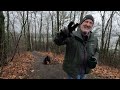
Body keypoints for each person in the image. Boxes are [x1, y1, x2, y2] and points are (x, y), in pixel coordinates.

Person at [53, 14, 99, 79]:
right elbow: (57, 42)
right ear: (81, 24)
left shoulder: (94, 39)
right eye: (86, 22)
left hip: (85, 71)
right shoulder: (71, 35)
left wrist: (95, 59)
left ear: (92, 25)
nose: (88, 24)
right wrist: (62, 34)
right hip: (72, 72)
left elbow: (97, 51)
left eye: (90, 23)